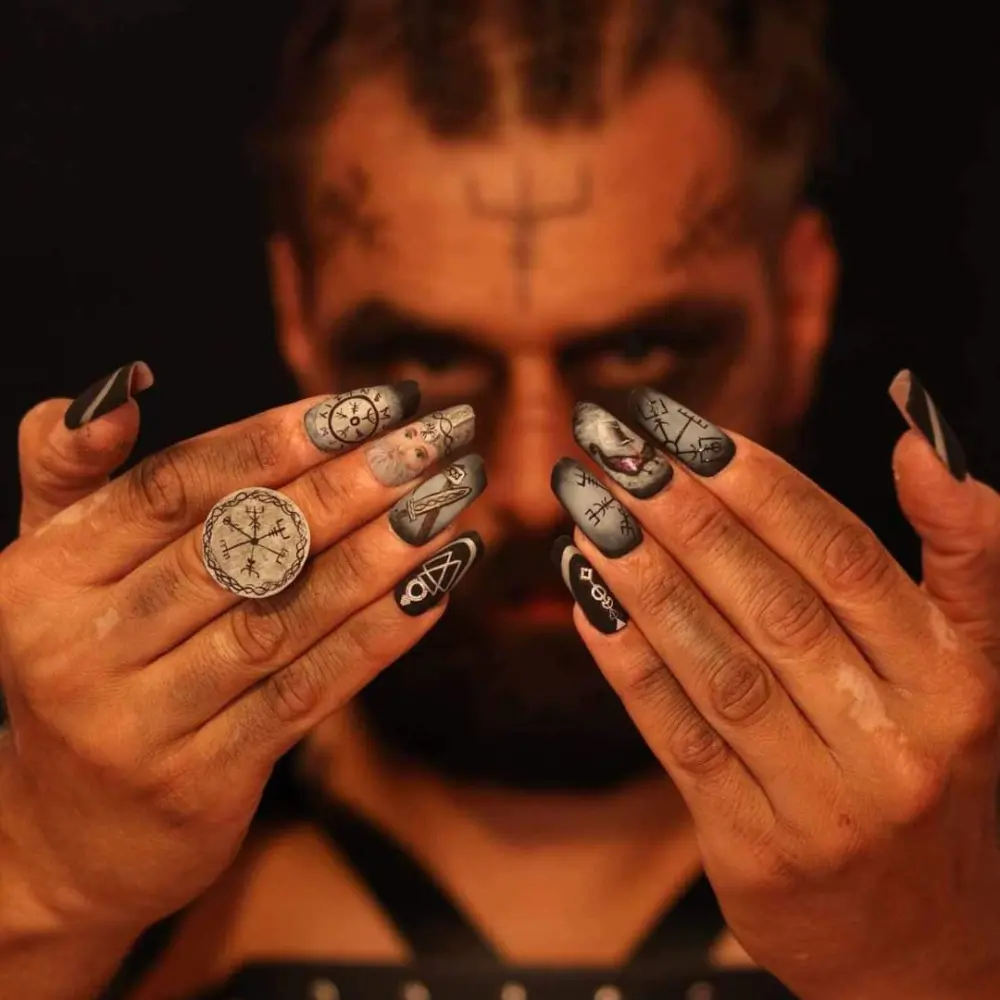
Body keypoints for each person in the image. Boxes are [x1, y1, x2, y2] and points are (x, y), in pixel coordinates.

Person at [2, 1, 1000, 998]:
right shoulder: (125, 894)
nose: (530, 490)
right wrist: (45, 891)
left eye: (637, 355)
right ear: (297, 312)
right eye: (431, 361)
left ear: (800, 301)